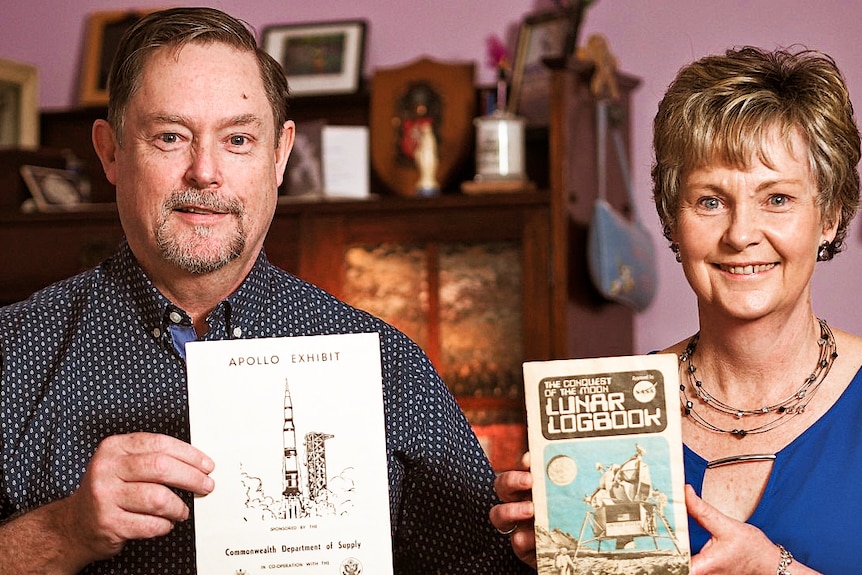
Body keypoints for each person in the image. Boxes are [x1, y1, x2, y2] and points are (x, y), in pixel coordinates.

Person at [0, 8, 530, 574]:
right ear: (110, 151)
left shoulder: (386, 365)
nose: (204, 172)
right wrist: (63, 531)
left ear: (279, 154)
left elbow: (485, 564)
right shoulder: (13, 351)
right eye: (171, 136)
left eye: (237, 139)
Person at [490, 45, 862, 575]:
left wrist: (772, 570)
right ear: (672, 218)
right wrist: (549, 557)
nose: (740, 234)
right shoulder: (609, 417)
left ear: (830, 216)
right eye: (710, 201)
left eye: (777, 198)